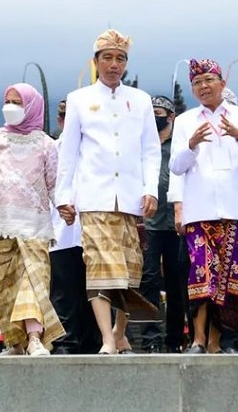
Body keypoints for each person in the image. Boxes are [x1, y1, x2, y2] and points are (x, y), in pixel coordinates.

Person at [55, 29, 161, 355]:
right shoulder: (79, 100)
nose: (114, 65)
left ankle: (119, 331)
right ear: (96, 62)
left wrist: (151, 189)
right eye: (108, 58)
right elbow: (68, 152)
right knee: (101, 267)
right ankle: (105, 339)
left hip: (130, 199)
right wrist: (63, 196)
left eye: (120, 59)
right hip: (94, 197)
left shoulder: (140, 100)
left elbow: (150, 150)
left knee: (129, 270)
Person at [169, 59, 238, 355]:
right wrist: (191, 144)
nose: (203, 87)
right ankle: (198, 340)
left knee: (231, 278)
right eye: (197, 83)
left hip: (235, 212)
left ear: (222, 84)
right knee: (201, 274)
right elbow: (176, 167)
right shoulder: (186, 120)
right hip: (199, 213)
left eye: (209, 81)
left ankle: (228, 341)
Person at [0, 83, 64, 356]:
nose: (10, 107)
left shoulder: (46, 144)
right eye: (7, 100)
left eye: (18, 102)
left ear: (32, 107)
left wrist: (65, 206)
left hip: (34, 228)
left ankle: (34, 338)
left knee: (32, 281)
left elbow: (55, 185)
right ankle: (15, 343)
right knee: (4, 290)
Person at [49, 99, 99, 355]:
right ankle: (65, 342)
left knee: (97, 289)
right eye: (65, 117)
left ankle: (97, 341)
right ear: (60, 121)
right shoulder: (51, 149)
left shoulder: (97, 149)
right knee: (63, 289)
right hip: (61, 230)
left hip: (95, 229)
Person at [139, 95, 187, 354]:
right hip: (148, 223)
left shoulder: (179, 146)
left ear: (170, 116)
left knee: (178, 281)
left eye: (158, 112)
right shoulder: (142, 146)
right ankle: (150, 338)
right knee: (148, 280)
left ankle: (175, 337)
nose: (154, 116)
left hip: (176, 222)